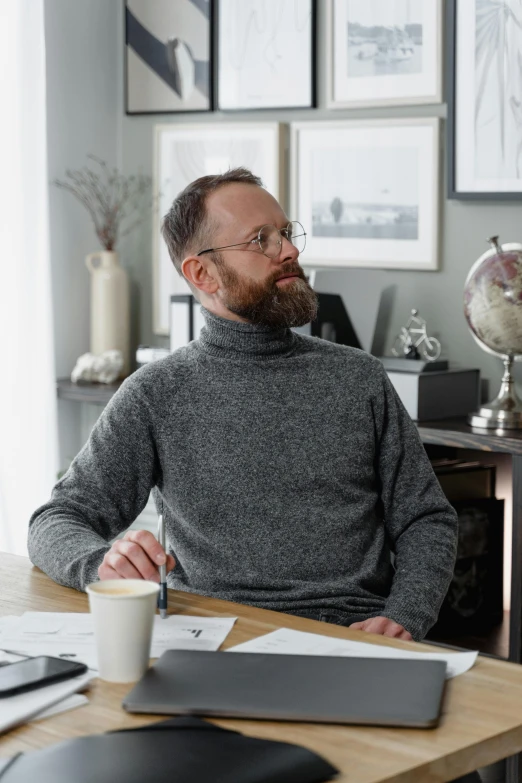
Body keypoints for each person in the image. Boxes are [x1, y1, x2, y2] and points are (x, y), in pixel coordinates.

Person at [29, 167, 458, 645]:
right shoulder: (155, 393)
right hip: (210, 637)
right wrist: (101, 565)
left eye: (286, 233)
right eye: (262, 239)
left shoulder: (359, 378)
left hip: (350, 634)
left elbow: (426, 518)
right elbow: (55, 520)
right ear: (202, 272)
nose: (290, 251)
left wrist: (407, 612)